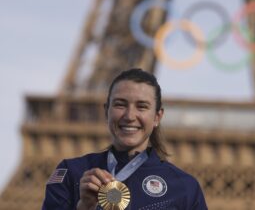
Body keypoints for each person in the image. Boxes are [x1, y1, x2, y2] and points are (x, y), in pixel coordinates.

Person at [42, 68, 208, 210]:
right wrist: (84, 207)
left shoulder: (185, 187)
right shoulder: (72, 173)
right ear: (106, 111)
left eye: (142, 106)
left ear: (157, 117)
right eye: (120, 104)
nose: (129, 116)